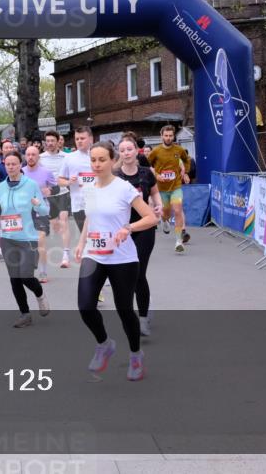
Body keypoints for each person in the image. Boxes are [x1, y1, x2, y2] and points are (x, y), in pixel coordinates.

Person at [74, 141, 157, 381]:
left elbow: (150, 218)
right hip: (94, 254)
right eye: (93, 160)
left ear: (112, 161)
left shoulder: (124, 188)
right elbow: (90, 218)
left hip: (122, 257)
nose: (97, 164)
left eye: (102, 160)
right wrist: (81, 243)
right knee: (86, 306)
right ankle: (104, 344)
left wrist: (128, 228)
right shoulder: (89, 187)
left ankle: (135, 355)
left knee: (124, 310)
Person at [0, 151, 51, 327]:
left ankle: (40, 294)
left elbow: (44, 211)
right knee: (15, 278)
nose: (11, 167)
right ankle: (25, 314)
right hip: (7, 238)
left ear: (21, 165)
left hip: (27, 237)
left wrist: (38, 204)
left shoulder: (31, 185)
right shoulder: (0, 188)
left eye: (14, 163)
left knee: (26, 276)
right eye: (8, 164)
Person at [116, 135, 162, 336]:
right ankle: (142, 307)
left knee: (139, 272)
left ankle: (142, 318)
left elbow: (154, 193)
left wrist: (158, 206)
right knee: (126, 274)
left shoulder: (146, 173)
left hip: (144, 227)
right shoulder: (115, 176)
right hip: (123, 229)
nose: (126, 153)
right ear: (120, 153)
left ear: (136, 151)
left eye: (129, 149)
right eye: (122, 150)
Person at [148, 125, 191, 253]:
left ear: (173, 136)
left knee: (178, 209)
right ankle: (164, 220)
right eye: (166, 136)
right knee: (166, 213)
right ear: (161, 136)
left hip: (176, 186)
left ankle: (178, 240)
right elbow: (147, 165)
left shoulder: (179, 150)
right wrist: (156, 175)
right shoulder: (155, 151)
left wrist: (186, 172)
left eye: (170, 135)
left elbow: (186, 160)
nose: (168, 138)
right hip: (161, 189)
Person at [58, 127, 96, 268]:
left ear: (91, 139)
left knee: (98, 235)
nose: (79, 141)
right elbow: (60, 179)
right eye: (77, 139)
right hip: (78, 204)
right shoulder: (70, 158)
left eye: (82, 138)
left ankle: (99, 267)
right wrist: (69, 182)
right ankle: (92, 267)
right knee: (85, 237)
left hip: (97, 202)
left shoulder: (97, 155)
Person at [21, 144, 57, 282]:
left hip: (41, 211)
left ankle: (43, 272)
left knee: (41, 240)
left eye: (33, 154)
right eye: (28, 154)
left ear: (38, 156)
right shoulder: (21, 172)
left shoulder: (46, 172)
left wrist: (50, 191)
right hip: (25, 212)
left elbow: (57, 188)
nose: (30, 157)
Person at [39, 131, 72, 265]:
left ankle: (66, 254)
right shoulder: (41, 158)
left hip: (63, 192)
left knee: (64, 220)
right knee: (55, 224)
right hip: (49, 195)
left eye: (53, 140)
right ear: (45, 143)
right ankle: (62, 236)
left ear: (58, 141)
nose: (50, 143)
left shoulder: (66, 157)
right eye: (48, 141)